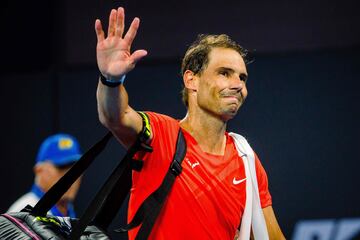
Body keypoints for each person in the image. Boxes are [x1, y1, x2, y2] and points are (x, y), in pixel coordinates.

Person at [95, 7, 286, 239]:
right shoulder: (161, 133)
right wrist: (111, 79)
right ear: (191, 79)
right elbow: (116, 115)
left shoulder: (246, 160)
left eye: (242, 77)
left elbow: (271, 236)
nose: (238, 85)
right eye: (224, 73)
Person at [7, 133, 82, 217]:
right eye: (62, 168)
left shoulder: (68, 209)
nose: (72, 176)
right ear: (39, 170)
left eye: (77, 169)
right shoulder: (24, 212)